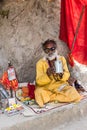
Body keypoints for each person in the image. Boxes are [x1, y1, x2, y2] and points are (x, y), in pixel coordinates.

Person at [35, 39, 82, 107]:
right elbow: (38, 81)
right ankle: (60, 98)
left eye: (52, 49)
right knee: (38, 92)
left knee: (74, 94)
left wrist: (62, 74)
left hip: (61, 87)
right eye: (47, 50)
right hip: (47, 88)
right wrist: (47, 75)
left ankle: (51, 99)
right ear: (44, 51)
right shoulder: (40, 63)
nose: (50, 52)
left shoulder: (61, 59)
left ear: (56, 49)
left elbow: (67, 75)